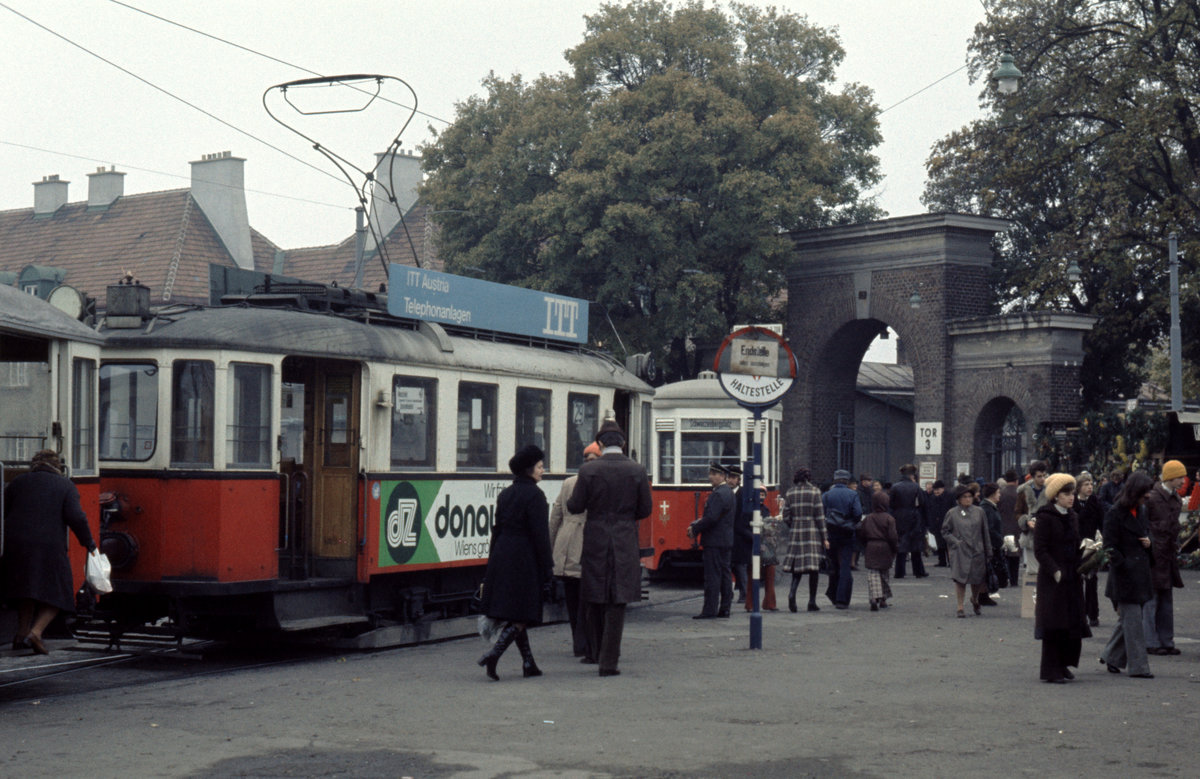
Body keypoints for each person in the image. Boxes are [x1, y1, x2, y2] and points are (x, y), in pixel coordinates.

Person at [568, 418, 652, 677]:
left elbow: (575, 506)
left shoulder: (588, 471)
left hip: (595, 538)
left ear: (600, 443)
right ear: (624, 443)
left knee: (594, 595)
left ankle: (593, 652)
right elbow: (645, 509)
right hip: (625, 540)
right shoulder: (637, 470)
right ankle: (608, 661)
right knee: (617, 600)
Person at [2, 449, 97, 655]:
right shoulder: (65, 485)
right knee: (60, 593)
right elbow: (77, 517)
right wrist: (89, 543)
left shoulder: (18, 483)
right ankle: (36, 632)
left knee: (26, 590)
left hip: (14, 545)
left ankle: (20, 634)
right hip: (48, 547)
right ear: (58, 467)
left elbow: (4, 510)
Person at [477, 445, 553, 681]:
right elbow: (540, 534)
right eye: (540, 467)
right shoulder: (536, 496)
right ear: (529, 470)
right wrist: (547, 567)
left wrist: (492, 562)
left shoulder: (505, 494)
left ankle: (529, 663)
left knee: (517, 612)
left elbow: (496, 529)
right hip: (524, 557)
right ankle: (494, 654)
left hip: (502, 554)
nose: (543, 471)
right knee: (523, 614)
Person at [1033, 474, 1091, 683]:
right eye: (1066, 494)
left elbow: (1075, 545)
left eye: (1072, 493)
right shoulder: (1045, 517)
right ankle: (1051, 669)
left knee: (1072, 622)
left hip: (1072, 576)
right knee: (1054, 623)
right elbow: (1040, 549)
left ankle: (1064, 663)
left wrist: (1087, 557)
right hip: (1053, 578)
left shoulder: (1072, 516)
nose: (1071, 498)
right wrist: (1055, 570)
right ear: (1055, 496)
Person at [1099, 471, 1156, 678]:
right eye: (1145, 492)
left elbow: (1146, 534)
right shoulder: (1115, 513)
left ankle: (1111, 657)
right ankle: (1139, 668)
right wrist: (1126, 565)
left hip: (1139, 575)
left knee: (1128, 621)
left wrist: (1149, 543)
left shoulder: (1140, 510)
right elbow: (1109, 547)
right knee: (1133, 623)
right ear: (1135, 492)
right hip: (1125, 577)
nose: (1148, 496)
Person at [548, 441, 601, 659]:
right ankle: (588, 644)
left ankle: (578, 643)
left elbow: (556, 515)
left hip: (567, 543)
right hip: (587, 543)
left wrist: (551, 547)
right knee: (587, 600)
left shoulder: (569, 482)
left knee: (572, 598)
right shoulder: (600, 483)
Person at [1143, 460, 1186, 656]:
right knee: (1152, 599)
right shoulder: (1152, 498)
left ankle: (1166, 641)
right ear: (1170, 477)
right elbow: (1144, 524)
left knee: (1166, 599)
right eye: (1180, 477)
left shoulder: (1174, 498)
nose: (1183, 481)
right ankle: (1151, 642)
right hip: (1154, 554)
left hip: (1167, 554)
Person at [688, 463, 735, 620]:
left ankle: (709, 610)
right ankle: (725, 608)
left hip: (714, 541)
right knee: (725, 575)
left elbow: (712, 518)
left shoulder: (717, 494)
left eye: (714, 474)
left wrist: (695, 529)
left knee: (713, 576)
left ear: (722, 476)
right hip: (726, 540)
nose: (711, 477)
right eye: (710, 474)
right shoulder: (729, 492)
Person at [780, 466, 828, 612]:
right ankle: (811, 602)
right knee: (813, 569)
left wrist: (793, 524)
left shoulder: (790, 492)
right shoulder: (815, 492)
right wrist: (824, 537)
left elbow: (785, 515)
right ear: (808, 478)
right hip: (812, 531)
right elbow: (820, 516)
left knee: (797, 567)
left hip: (796, 531)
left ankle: (791, 594)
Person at [942, 484, 990, 617]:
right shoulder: (952, 513)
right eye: (964, 497)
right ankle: (960, 607)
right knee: (960, 579)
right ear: (958, 499)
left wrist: (988, 551)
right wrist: (955, 542)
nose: (968, 499)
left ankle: (974, 599)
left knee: (976, 580)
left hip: (977, 550)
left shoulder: (979, 512)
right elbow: (945, 531)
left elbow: (985, 531)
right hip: (960, 551)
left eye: (970, 496)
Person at [822, 469, 863, 609]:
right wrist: (850, 522)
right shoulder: (853, 494)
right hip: (847, 533)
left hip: (831, 533)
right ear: (847, 481)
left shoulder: (826, 495)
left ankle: (832, 594)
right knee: (845, 565)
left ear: (834, 480)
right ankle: (842, 599)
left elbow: (822, 512)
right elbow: (858, 513)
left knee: (833, 564)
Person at [858, 491, 898, 611]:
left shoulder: (868, 518)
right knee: (884, 573)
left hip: (871, 546)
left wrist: (865, 546)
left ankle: (874, 598)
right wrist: (894, 548)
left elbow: (861, 534)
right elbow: (893, 536)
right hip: (885, 547)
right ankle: (883, 599)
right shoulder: (889, 518)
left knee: (873, 574)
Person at [1075, 471, 1104, 627]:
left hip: (1091, 545)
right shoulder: (1073, 502)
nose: (1089, 487)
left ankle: (1093, 614)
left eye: (1091, 484)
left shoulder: (1096, 502)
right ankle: (1079, 613)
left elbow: (1102, 522)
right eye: (1086, 484)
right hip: (1077, 545)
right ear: (1079, 487)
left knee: (1092, 580)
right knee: (1077, 580)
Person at [890, 464, 926, 579]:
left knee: (901, 545)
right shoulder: (916, 487)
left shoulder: (895, 487)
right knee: (915, 544)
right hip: (913, 516)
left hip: (899, 516)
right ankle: (918, 571)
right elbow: (922, 502)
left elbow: (891, 503)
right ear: (912, 474)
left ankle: (899, 572)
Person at [1015, 461, 1049, 576]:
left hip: (1047, 532)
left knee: (1047, 569)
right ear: (1033, 477)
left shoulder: (1050, 490)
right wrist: (1026, 521)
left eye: (1044, 475)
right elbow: (1018, 512)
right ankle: (1033, 594)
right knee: (1033, 571)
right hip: (1030, 534)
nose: (1042, 479)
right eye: (1039, 476)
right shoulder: (1024, 491)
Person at [728, 465, 751, 604]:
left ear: (738, 480)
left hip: (740, 537)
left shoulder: (742, 494)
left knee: (740, 567)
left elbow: (744, 516)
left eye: (733, 478)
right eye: (729, 477)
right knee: (729, 566)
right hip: (730, 536)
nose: (730, 480)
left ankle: (744, 595)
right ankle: (729, 593)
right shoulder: (727, 492)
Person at [979, 482, 1005, 605]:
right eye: (998, 493)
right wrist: (999, 540)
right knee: (987, 570)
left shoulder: (990, 507)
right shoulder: (987, 508)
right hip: (990, 544)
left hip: (992, 543)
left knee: (988, 570)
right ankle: (982, 596)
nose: (1000, 495)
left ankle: (984, 595)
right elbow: (989, 528)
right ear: (993, 494)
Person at [998, 469, 1021, 586]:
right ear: (1016, 480)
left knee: (1005, 554)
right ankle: (1014, 580)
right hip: (1017, 527)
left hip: (1003, 526)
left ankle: (1004, 578)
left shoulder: (1000, 493)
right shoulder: (1020, 493)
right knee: (1015, 555)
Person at [924, 480, 955, 567]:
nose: (936, 491)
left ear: (943, 489)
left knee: (948, 543)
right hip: (936, 524)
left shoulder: (949, 496)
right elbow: (930, 511)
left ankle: (951, 561)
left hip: (948, 523)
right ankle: (942, 561)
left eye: (938, 489)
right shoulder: (932, 498)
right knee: (939, 543)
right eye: (935, 490)